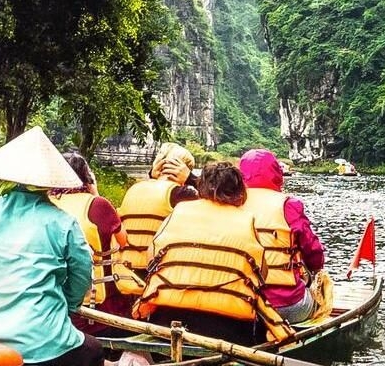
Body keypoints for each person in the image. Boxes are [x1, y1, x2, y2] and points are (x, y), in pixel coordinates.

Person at [0, 128, 111, 366]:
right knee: (93, 349)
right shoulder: (63, 222)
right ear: (46, 181)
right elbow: (82, 278)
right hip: (46, 343)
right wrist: (67, 305)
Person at [135, 159, 278, 347]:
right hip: (226, 328)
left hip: (165, 320)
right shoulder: (247, 221)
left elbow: (150, 260)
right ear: (240, 191)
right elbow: (262, 275)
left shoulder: (178, 212)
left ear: (201, 186)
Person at [238, 149, 326, 325]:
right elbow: (314, 254)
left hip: (239, 301)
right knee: (320, 291)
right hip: (287, 305)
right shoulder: (288, 205)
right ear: (276, 173)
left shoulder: (230, 201)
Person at [106, 143, 196, 314]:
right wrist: (191, 178)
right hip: (159, 274)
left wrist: (151, 175)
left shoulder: (134, 189)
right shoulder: (182, 194)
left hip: (127, 271)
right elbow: (210, 208)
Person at [51, 150, 125, 312]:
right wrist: (96, 193)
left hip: (52, 297)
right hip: (95, 304)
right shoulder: (98, 204)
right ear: (87, 178)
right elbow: (123, 241)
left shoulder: (44, 203)